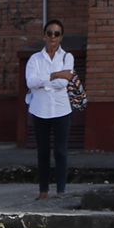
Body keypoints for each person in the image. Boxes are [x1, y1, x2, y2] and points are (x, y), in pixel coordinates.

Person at [24, 20, 76, 199]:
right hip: (40, 109)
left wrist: (46, 80)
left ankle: (61, 190)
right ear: (44, 35)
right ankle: (43, 191)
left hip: (62, 110)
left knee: (60, 151)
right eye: (49, 33)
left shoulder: (67, 57)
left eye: (57, 33)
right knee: (43, 151)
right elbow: (30, 82)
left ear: (61, 37)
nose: (53, 37)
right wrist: (55, 74)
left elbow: (64, 82)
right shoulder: (35, 59)